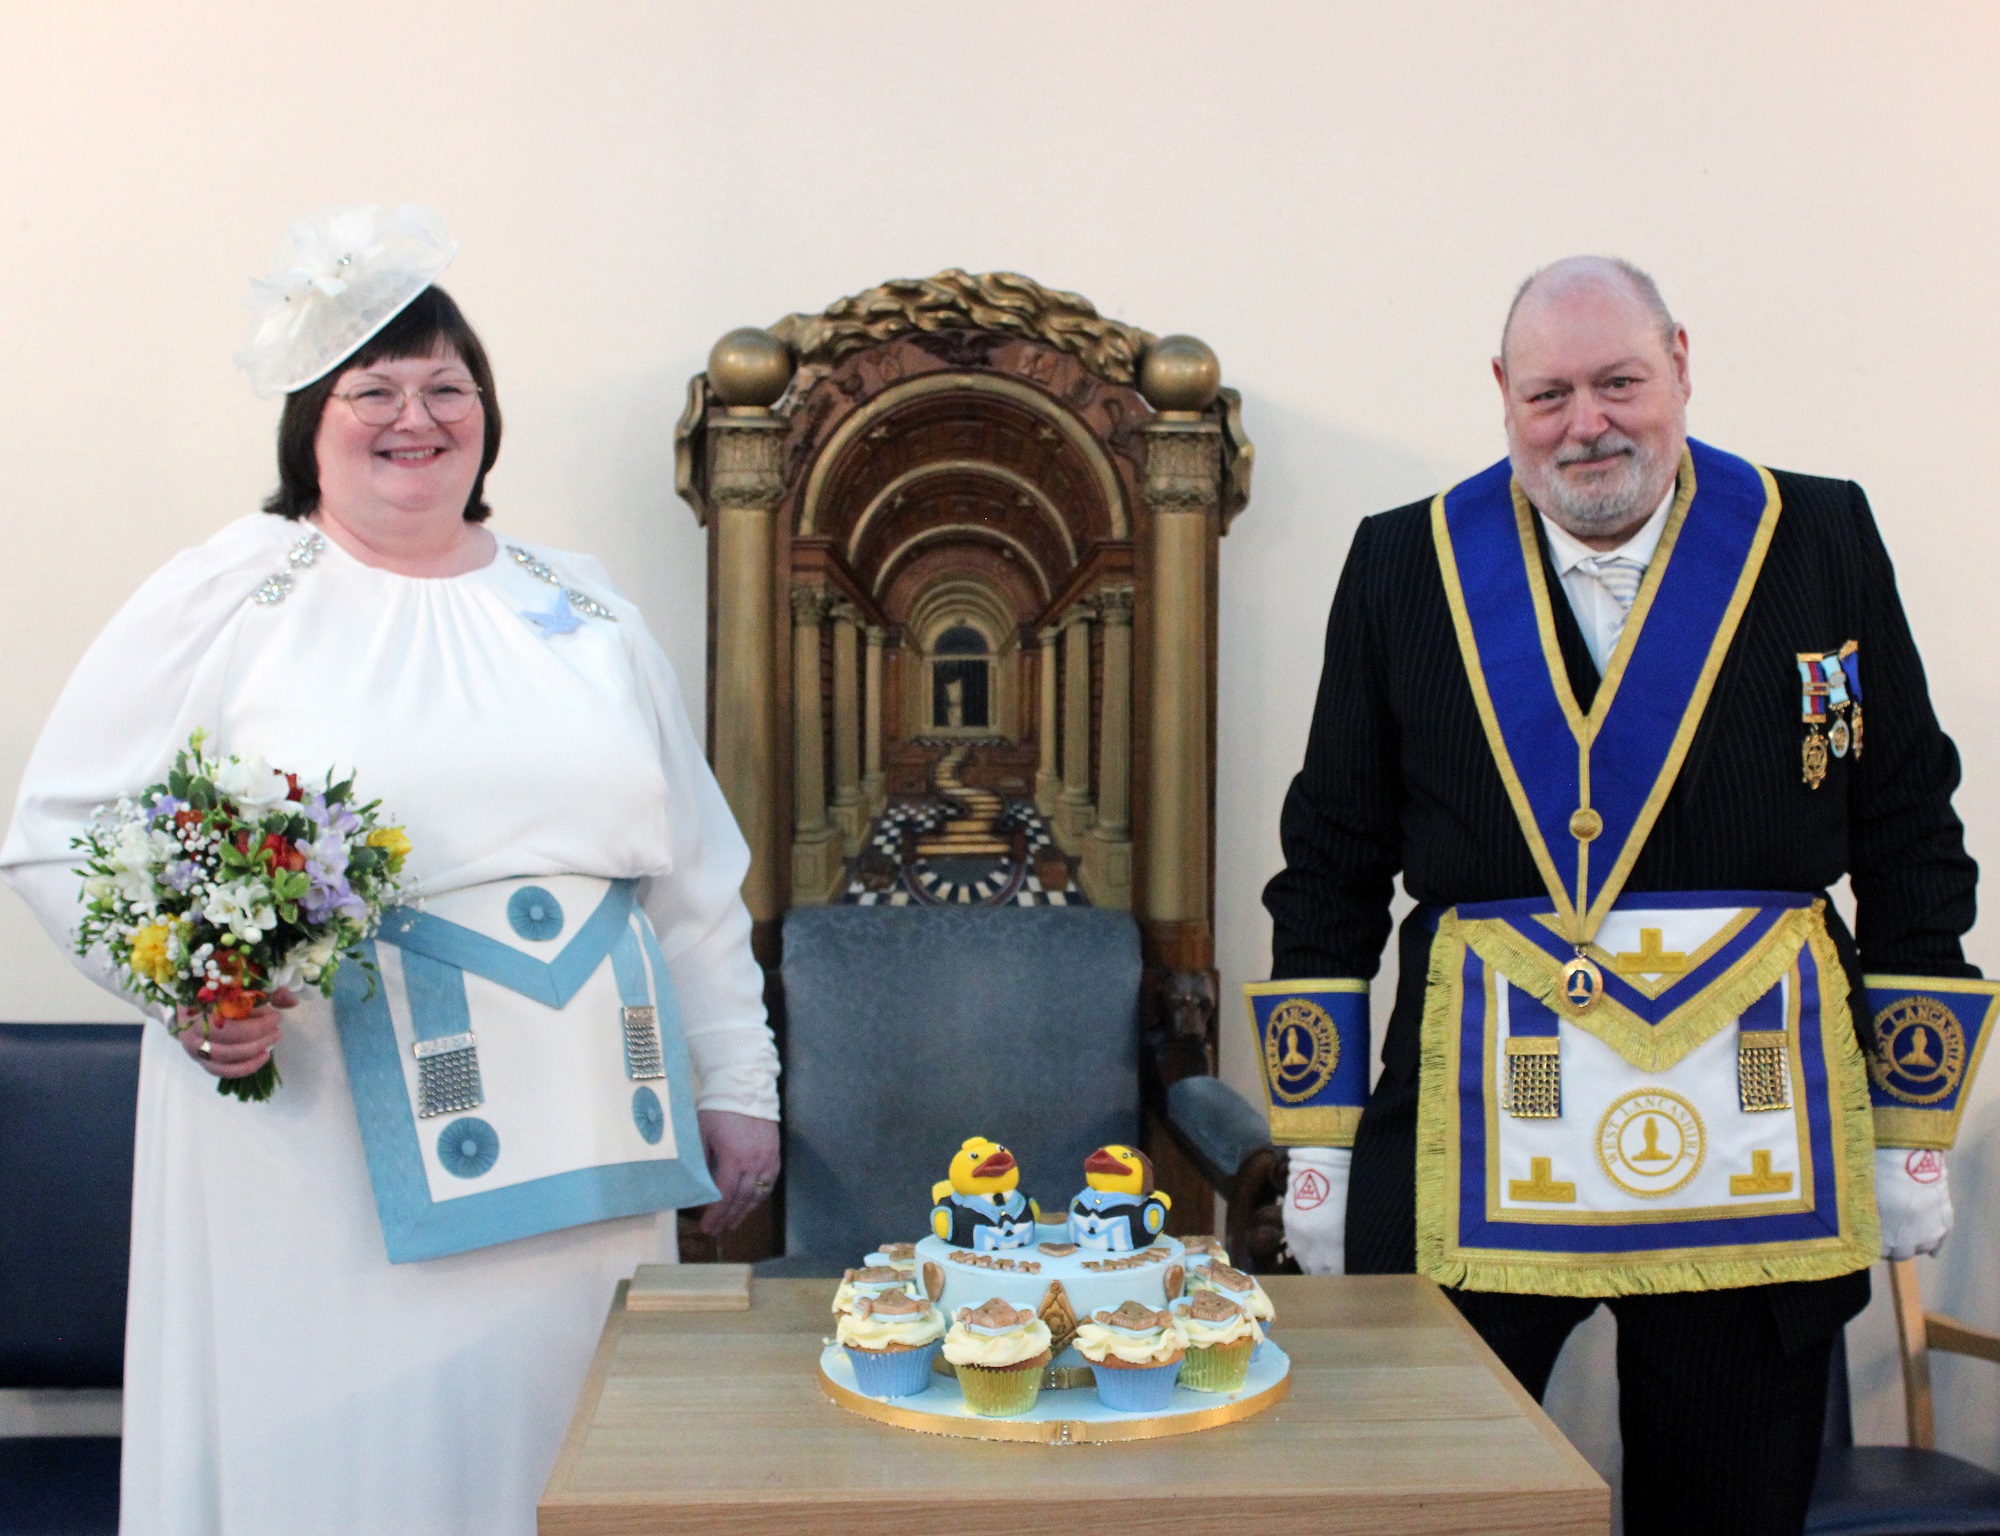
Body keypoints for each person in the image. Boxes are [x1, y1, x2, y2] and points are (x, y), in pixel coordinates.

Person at [0, 205, 780, 1536]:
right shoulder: (231, 594)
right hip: (317, 1147)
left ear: (486, 417)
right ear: (313, 419)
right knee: (344, 1470)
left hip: (589, 1135)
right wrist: (197, 995)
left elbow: (695, 871)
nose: (413, 418)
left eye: (446, 387)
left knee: (562, 1449)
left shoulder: (580, 606)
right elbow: (59, 826)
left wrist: (741, 1080)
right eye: (374, 388)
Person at [1258, 256, 1988, 1536]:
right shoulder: (1401, 563)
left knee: (1723, 1511)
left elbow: (1905, 825)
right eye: (1547, 394)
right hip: (1472, 1106)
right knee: (1424, 1499)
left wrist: (1906, 1113)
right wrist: (1317, 1141)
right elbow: (1328, 856)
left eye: (1616, 383)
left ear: (1680, 366)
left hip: (1757, 1111)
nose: (1584, 422)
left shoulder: (1815, 536)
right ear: (1500, 394)